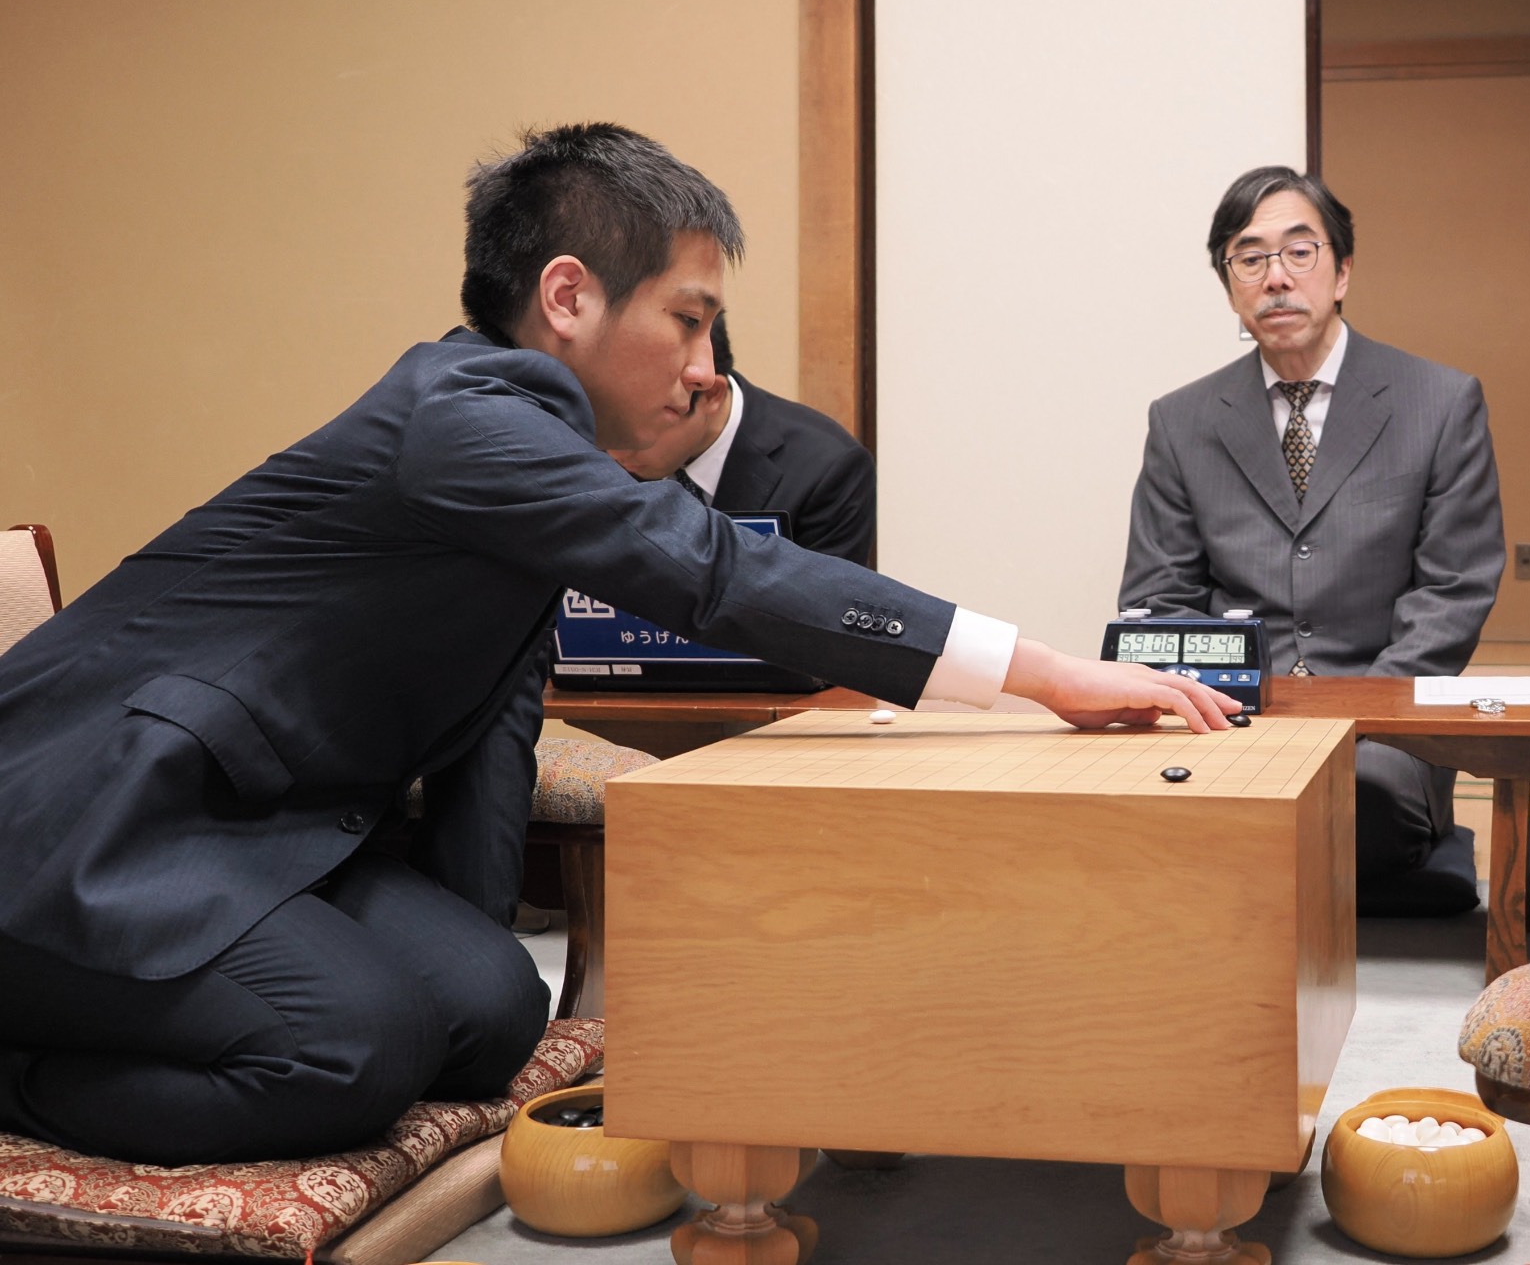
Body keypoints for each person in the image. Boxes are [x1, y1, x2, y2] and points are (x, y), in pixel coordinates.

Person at [0, 123, 1231, 1167]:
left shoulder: (529, 456)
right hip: (89, 819)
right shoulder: (460, 421)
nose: (706, 371)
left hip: (255, 829)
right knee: (351, 1048)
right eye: (689, 322)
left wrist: (473, 948)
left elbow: (497, 725)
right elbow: (716, 569)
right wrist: (1050, 675)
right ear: (571, 296)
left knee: (488, 1013)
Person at [1120, 166, 1505, 911]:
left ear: (1343, 272)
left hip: (1383, 730)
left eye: (1300, 252)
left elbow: (1454, 590)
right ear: (1229, 282)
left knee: (1352, 802)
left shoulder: (1439, 401)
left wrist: (1356, 709)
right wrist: (1231, 706)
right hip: (1230, 717)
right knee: (1139, 800)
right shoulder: (1183, 420)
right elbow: (1157, 596)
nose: (1276, 278)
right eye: (1250, 257)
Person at [610, 314, 876, 564]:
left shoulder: (827, 471)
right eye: (613, 420)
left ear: (711, 394)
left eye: (644, 424)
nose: (614, 452)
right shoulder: (590, 436)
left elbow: (820, 606)